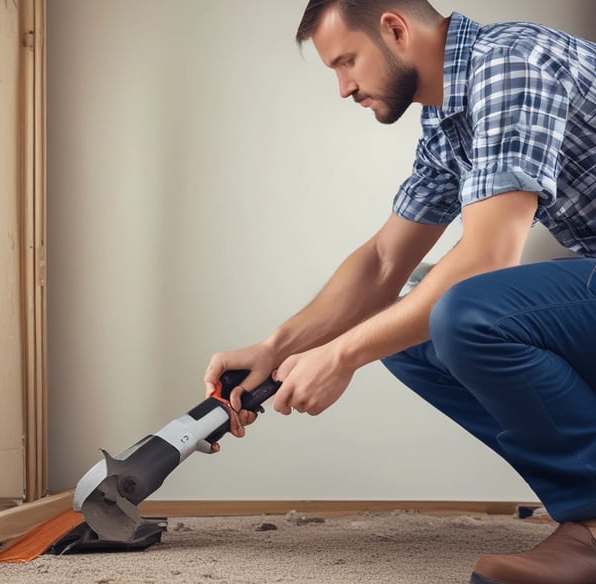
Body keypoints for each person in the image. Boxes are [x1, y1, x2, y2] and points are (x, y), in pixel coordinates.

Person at [202, 1, 596, 582]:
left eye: (346, 62)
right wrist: (276, 347)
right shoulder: (447, 117)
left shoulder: (509, 64)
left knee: (466, 309)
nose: (342, 88)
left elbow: (487, 258)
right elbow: (385, 261)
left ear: (394, 28)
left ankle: (592, 522)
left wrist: (340, 355)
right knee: (410, 327)